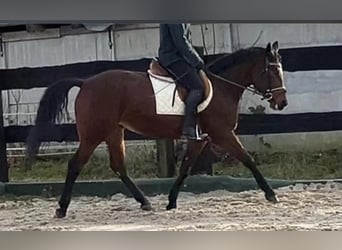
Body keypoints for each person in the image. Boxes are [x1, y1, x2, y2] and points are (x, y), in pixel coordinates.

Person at [158, 23, 207, 140]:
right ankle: (189, 127)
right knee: (197, 87)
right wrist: (196, 60)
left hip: (178, 57)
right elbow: (181, 42)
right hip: (172, 58)